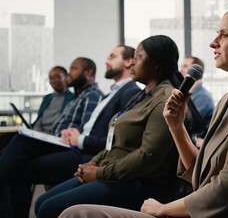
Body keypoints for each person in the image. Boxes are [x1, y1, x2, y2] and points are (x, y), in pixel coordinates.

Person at [59, 6, 228, 218]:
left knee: (74, 214)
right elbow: (203, 177)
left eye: (225, 35)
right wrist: (176, 126)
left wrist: (165, 209)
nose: (213, 43)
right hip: (203, 209)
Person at [34, 35, 195, 218]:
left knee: (49, 209)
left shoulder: (165, 99)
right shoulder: (141, 96)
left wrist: (99, 173)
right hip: (112, 173)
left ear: (156, 64)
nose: (132, 62)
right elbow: (115, 142)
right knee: (41, 203)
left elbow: (147, 157)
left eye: (139, 57)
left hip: (135, 184)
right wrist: (93, 162)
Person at [0, 57, 104, 218]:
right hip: (55, 140)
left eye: (74, 69)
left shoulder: (92, 95)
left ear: (88, 72)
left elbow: (86, 128)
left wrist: (68, 134)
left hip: (68, 145)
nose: (69, 73)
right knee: (14, 150)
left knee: (21, 142)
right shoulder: (78, 96)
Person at [179, 55, 215, 148]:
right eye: (181, 66)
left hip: (198, 146)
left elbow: (187, 124)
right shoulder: (189, 93)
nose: (181, 69)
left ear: (197, 73)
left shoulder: (203, 97)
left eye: (186, 66)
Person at [32, 66, 74, 133]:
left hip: (56, 135)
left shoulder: (73, 98)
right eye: (51, 78)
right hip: (40, 134)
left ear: (66, 77)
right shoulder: (47, 98)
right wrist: (37, 132)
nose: (54, 81)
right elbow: (39, 120)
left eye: (58, 77)